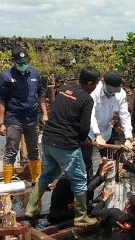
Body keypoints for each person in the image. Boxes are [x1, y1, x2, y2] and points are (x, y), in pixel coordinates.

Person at [25, 66, 100, 227]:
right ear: (89, 83)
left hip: (47, 139)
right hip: (66, 143)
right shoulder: (87, 99)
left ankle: (31, 208)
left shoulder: (65, 89)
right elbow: (84, 127)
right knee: (80, 179)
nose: (95, 87)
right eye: (95, 84)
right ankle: (81, 217)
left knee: (47, 174)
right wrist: (80, 140)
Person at [0, 46, 48, 184]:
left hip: (32, 119)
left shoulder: (35, 74)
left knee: (34, 149)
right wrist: (1, 123)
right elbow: (1, 100)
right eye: (20, 63)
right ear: (14, 61)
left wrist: (45, 114)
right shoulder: (7, 76)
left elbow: (41, 95)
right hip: (14, 119)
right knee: (11, 151)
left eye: (25, 62)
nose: (23, 65)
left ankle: (36, 179)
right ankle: (8, 183)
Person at [82, 70, 133, 180]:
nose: (114, 92)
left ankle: (109, 190)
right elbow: (90, 116)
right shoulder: (94, 92)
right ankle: (88, 193)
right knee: (86, 164)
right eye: (111, 89)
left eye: (116, 89)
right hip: (89, 133)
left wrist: (128, 137)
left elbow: (125, 115)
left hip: (106, 132)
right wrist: (97, 135)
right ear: (103, 83)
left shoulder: (121, 94)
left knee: (111, 162)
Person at [47, 158, 114, 224]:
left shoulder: (70, 178)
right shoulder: (65, 182)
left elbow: (88, 184)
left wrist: (100, 168)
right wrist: (102, 174)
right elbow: (86, 190)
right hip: (60, 216)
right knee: (92, 209)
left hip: (64, 211)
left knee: (91, 205)